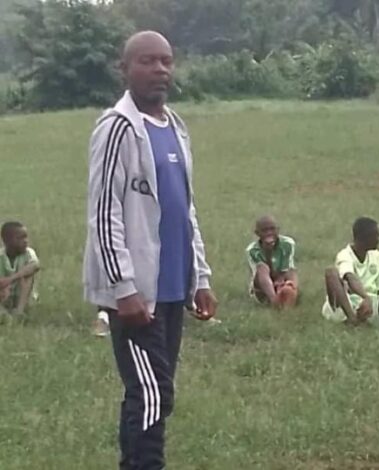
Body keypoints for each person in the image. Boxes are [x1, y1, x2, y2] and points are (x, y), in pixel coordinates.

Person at [83, 31, 218, 470]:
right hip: (138, 294)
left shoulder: (175, 126)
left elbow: (184, 208)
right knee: (153, 393)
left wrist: (200, 277)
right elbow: (103, 213)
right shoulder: (117, 128)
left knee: (149, 392)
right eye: (147, 61)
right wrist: (123, 288)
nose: (159, 69)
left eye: (166, 61)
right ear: (124, 70)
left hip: (174, 287)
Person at [322, 217, 379, 331]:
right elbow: (350, 277)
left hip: (372, 304)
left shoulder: (376, 255)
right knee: (331, 272)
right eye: (376, 236)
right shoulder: (345, 255)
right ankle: (353, 320)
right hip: (347, 303)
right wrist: (365, 297)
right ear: (364, 238)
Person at [246, 215, 298, 309]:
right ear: (257, 233)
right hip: (262, 288)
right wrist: (268, 252)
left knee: (291, 271)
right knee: (262, 267)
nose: (269, 233)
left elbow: (287, 268)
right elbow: (260, 276)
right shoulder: (252, 250)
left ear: (278, 230)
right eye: (264, 230)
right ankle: (274, 300)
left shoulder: (288, 243)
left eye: (272, 229)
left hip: (282, 278)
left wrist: (281, 280)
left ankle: (291, 291)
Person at [0, 221, 40, 315]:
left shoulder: (28, 253)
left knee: (27, 275)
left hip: (22, 295)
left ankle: (20, 311)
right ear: (6, 241)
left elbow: (35, 266)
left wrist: (10, 279)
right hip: (5, 294)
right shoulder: (1, 255)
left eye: (26, 237)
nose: (25, 241)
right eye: (20, 238)